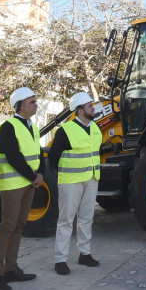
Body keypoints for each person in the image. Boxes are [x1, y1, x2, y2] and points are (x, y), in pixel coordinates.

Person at [0, 87, 44, 290]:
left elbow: (37, 153)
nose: (36, 104)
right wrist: (33, 176)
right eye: (32, 101)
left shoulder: (33, 127)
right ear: (21, 105)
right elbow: (13, 156)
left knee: (19, 224)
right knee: (8, 226)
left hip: (28, 183)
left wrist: (40, 174)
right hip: (13, 185)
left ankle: (11, 269)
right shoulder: (7, 127)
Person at [48, 91, 101, 275]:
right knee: (66, 221)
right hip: (71, 182)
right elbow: (53, 157)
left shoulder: (95, 127)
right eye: (89, 106)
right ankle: (60, 260)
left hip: (92, 178)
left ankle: (84, 254)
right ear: (79, 111)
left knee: (87, 218)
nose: (93, 108)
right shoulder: (65, 130)